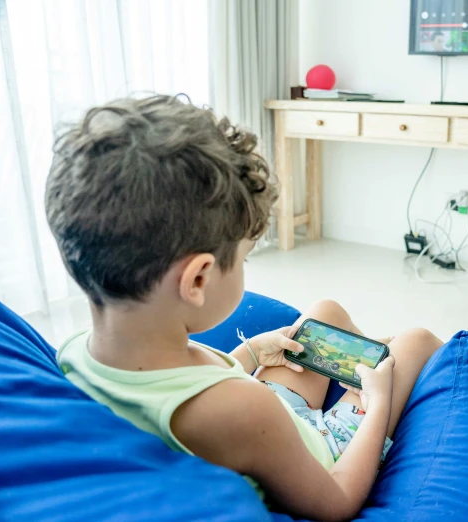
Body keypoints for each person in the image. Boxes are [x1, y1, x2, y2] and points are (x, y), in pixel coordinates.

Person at [47, 95, 444, 521]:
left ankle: (365, 367)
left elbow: (185, 393)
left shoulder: (72, 353)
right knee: (417, 342)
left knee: (324, 313)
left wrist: (251, 352)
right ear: (198, 280)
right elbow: (337, 500)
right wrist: (378, 404)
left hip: (268, 419)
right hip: (318, 451)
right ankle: (370, 382)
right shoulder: (239, 409)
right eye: (245, 258)